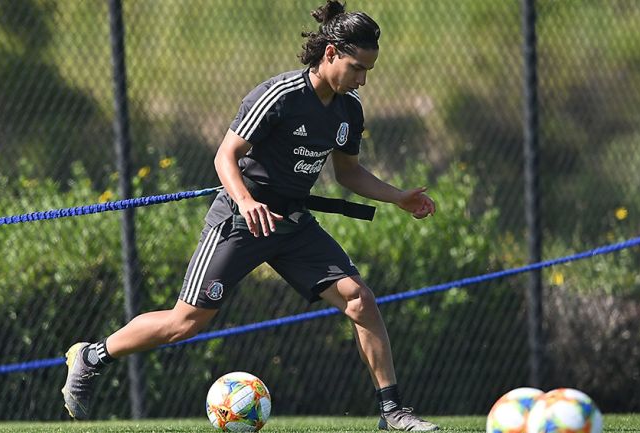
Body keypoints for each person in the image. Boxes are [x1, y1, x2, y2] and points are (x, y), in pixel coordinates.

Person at [62, 1, 438, 430]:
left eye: (368, 70)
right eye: (357, 68)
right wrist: (245, 202)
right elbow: (226, 157)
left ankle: (392, 412)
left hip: (292, 225)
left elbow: (348, 172)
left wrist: (398, 197)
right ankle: (92, 356)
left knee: (360, 300)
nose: (363, 80)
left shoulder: (348, 109)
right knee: (185, 323)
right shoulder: (278, 96)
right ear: (331, 53)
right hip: (240, 220)